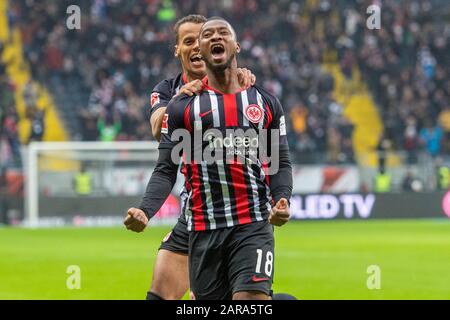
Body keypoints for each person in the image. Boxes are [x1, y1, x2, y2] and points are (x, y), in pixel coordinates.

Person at [125, 17, 293, 300]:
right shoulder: (176, 100)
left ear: (236, 45)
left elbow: (280, 161)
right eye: (194, 39)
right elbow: (165, 163)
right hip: (199, 223)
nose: (211, 39)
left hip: (251, 223)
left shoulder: (263, 101)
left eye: (223, 33)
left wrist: (282, 197)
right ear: (183, 50)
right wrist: (145, 209)